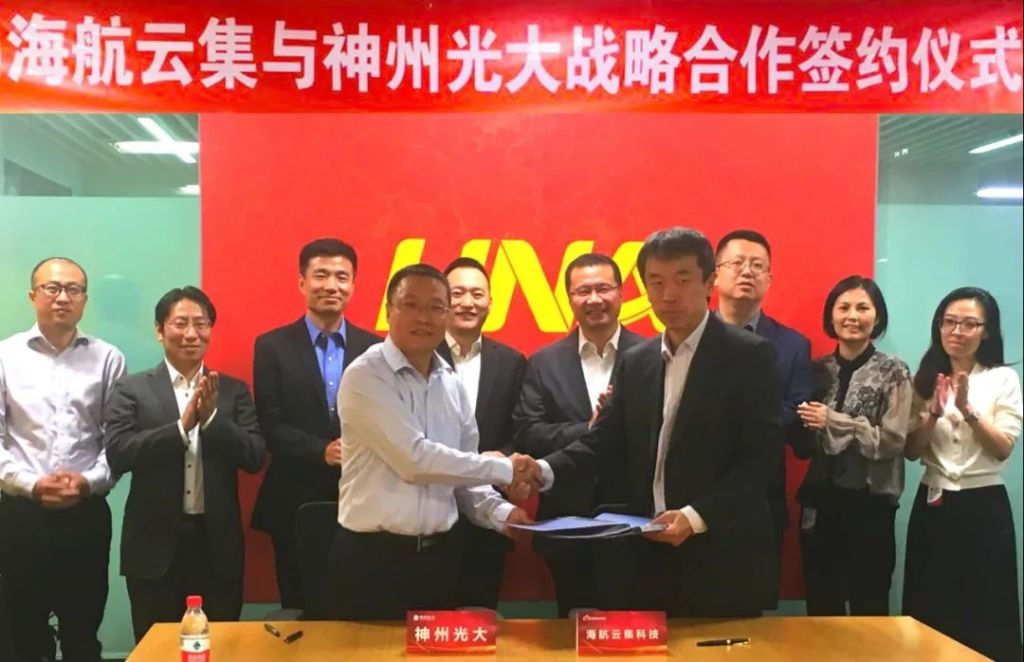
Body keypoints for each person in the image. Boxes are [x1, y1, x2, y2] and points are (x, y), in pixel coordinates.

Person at [531, 228, 783, 616]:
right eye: (656, 282)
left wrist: (694, 517)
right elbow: (602, 440)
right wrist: (543, 471)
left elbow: (759, 461)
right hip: (647, 553)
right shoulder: (637, 361)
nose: (668, 295)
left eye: (682, 280)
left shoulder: (749, 356)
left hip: (720, 551)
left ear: (709, 282)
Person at [327, 264, 535, 620]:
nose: (423, 318)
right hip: (374, 560)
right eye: (411, 305)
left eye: (436, 307)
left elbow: (463, 473)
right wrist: (506, 468)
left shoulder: (450, 383)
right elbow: (415, 461)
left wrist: (503, 515)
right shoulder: (365, 375)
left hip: (441, 560)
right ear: (389, 310)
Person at [105, 287, 266, 642]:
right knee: (156, 649)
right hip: (153, 547)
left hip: (217, 546)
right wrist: (181, 428)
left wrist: (212, 421)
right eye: (180, 323)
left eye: (201, 324)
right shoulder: (132, 389)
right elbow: (119, 453)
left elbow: (255, 456)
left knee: (220, 646)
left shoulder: (233, 391)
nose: (192, 333)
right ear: (159, 330)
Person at [0, 257, 126, 661]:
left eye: (73, 289)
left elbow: (117, 439)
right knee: (24, 634)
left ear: (85, 299)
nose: (62, 297)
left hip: (85, 513)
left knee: (82, 634)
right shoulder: (5, 357)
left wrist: (87, 482)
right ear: (32, 296)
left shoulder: (108, 358)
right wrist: (32, 484)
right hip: (21, 515)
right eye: (52, 288)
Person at [250, 238, 381, 610]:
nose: (331, 285)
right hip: (294, 496)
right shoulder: (272, 346)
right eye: (321, 275)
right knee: (299, 605)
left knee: (358, 606)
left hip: (363, 497)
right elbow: (269, 424)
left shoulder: (376, 349)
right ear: (302, 282)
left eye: (341, 276)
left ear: (353, 284)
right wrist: (321, 450)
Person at [512, 253, 645, 617]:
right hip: (566, 522)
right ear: (569, 298)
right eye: (583, 291)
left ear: (621, 293)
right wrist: (589, 429)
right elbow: (527, 432)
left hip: (635, 523)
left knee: (633, 630)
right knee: (572, 627)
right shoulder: (544, 362)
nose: (594, 299)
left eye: (604, 288)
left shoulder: (651, 355)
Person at [902, 287, 1022, 662]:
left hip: (984, 504)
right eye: (949, 322)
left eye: (969, 324)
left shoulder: (1003, 379)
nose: (957, 331)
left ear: (986, 331)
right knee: (930, 602)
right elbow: (911, 451)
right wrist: (933, 413)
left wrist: (968, 408)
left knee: (985, 604)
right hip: (933, 502)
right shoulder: (924, 379)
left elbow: (1002, 447)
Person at [796, 275, 911, 616]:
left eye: (863, 308)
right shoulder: (816, 369)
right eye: (843, 307)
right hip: (820, 502)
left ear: (877, 316)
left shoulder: (893, 370)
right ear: (830, 316)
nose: (852, 316)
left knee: (869, 605)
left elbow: (892, 441)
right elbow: (803, 444)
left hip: (871, 505)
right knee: (821, 605)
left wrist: (834, 421)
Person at [714, 229, 812, 577]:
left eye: (757, 266)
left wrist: (729, 419)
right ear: (714, 275)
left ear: (769, 280)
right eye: (737, 263)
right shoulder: (688, 338)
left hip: (762, 497)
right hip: (693, 497)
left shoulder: (793, 345)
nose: (747, 271)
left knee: (756, 600)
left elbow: (797, 412)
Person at [437, 257, 527, 609]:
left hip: (491, 509)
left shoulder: (511, 362)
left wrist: (503, 457)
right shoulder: (419, 355)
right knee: (427, 621)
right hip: (429, 511)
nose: (467, 302)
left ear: (491, 302)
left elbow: (520, 428)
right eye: (457, 293)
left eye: (477, 294)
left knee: (480, 617)